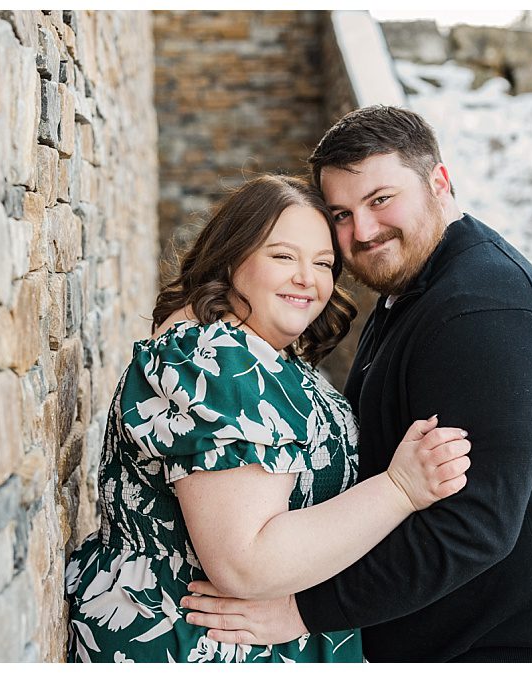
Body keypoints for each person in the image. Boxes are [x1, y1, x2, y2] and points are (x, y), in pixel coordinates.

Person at [182, 106, 532, 662]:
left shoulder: (483, 314)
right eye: (342, 214)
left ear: (439, 183)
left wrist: (300, 611)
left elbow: (471, 526)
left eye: (380, 200)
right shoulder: (415, 291)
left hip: (521, 644)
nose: (363, 231)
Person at [64, 175, 472, 663]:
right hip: (192, 640)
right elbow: (246, 563)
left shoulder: (263, 354)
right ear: (232, 258)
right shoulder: (216, 360)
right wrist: (400, 489)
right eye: (283, 256)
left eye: (323, 263)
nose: (308, 278)